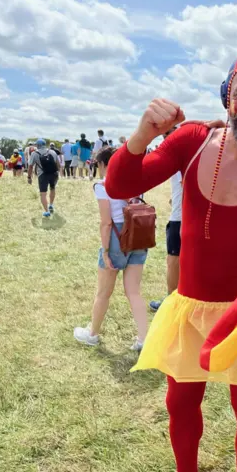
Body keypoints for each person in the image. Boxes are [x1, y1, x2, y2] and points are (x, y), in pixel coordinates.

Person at [104, 53, 237, 472]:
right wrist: (145, 132)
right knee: (181, 403)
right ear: (226, 98)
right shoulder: (193, 143)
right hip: (191, 309)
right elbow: (119, 183)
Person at [74, 146, 149, 351]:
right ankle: (144, 338)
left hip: (117, 237)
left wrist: (106, 252)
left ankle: (92, 334)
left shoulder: (103, 185)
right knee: (134, 292)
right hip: (140, 236)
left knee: (103, 293)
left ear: (104, 164)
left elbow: (106, 222)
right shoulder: (137, 182)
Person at [149, 126, 183, 312]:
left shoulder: (179, 159)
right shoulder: (186, 157)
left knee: (173, 261)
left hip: (179, 219)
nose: (165, 139)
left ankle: (170, 303)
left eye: (168, 135)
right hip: (183, 216)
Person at [28, 138, 61, 217]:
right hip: (53, 173)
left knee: (43, 194)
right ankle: (51, 205)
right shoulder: (52, 151)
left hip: (42, 175)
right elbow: (58, 164)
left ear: (38, 145)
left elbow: (30, 166)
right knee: (52, 189)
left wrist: (29, 177)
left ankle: (47, 211)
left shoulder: (34, 153)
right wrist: (57, 173)